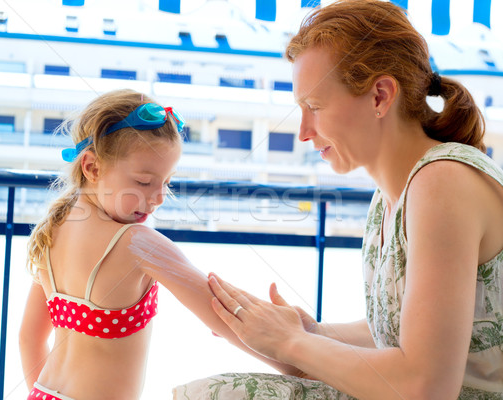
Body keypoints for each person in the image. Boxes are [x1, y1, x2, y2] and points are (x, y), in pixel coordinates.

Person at [174, 1, 503, 399]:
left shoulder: (442, 183)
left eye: (313, 107)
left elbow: (427, 387)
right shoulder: (393, 195)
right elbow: (403, 332)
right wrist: (307, 332)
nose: (303, 132)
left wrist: (292, 342)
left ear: (380, 96)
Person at [19, 89, 306, 400]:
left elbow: (29, 338)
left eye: (166, 182)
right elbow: (226, 318)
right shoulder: (138, 244)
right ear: (92, 167)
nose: (157, 198)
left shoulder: (53, 230)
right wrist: (305, 367)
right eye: (144, 182)